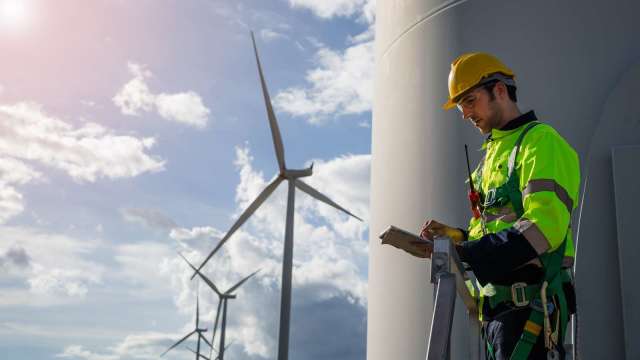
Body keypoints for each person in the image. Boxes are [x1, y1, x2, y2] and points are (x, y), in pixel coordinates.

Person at [418, 53, 579, 359]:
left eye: (470, 100)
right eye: (460, 106)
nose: (465, 113)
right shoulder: (490, 159)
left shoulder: (540, 142)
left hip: (532, 309)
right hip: (498, 317)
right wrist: (459, 238)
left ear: (500, 91)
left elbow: (545, 227)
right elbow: (497, 229)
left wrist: (468, 253)